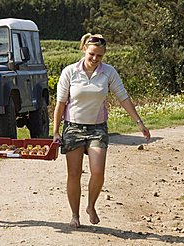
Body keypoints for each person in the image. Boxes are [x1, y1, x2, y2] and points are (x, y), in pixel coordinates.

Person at [52, 33, 150, 228]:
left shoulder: (109, 73)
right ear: (84, 50)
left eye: (99, 56)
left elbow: (123, 98)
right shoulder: (70, 72)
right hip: (73, 127)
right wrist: (55, 131)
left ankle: (91, 206)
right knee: (74, 173)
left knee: (98, 172)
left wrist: (139, 122)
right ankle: (74, 215)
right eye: (91, 55)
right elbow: (60, 103)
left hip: (98, 128)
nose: (95, 59)